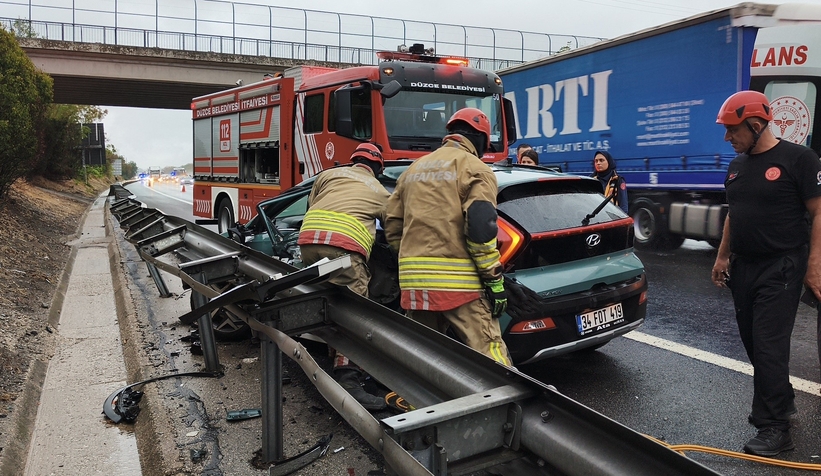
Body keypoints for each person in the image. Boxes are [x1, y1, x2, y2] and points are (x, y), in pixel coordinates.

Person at [710, 90, 821, 457]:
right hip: (744, 266)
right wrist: (722, 257)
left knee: (769, 345)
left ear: (756, 124)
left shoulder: (799, 159)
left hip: (783, 265)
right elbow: (734, 213)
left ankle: (775, 427)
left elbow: (819, 212)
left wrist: (815, 266)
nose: (728, 138)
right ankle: (781, 400)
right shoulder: (737, 166)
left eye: (732, 130)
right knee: (753, 343)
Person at [384, 108, 513, 366]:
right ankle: (505, 401)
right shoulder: (476, 168)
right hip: (460, 284)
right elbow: (481, 229)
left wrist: (412, 258)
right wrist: (494, 280)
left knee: (422, 354)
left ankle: (414, 402)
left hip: (415, 283)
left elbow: (392, 223)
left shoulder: (412, 170)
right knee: (490, 351)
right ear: (479, 140)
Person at [297, 142, 391, 410]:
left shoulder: (328, 175)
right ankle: (348, 379)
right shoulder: (379, 191)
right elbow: (394, 227)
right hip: (344, 254)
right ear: (377, 168)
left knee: (326, 299)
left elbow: (312, 205)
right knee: (355, 314)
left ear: (353, 161)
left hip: (309, 244)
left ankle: (328, 353)